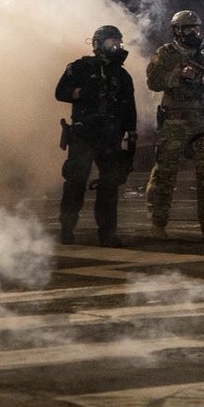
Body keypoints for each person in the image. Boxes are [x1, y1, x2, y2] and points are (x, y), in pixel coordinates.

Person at [144, 9, 204, 243]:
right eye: (188, 28)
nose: (194, 33)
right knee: (165, 173)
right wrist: (178, 74)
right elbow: (153, 82)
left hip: (200, 118)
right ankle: (158, 223)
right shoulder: (165, 54)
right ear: (177, 31)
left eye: (196, 28)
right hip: (174, 119)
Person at [55, 25, 137, 247]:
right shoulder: (81, 67)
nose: (117, 47)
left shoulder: (122, 76)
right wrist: (81, 92)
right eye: (111, 42)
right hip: (84, 134)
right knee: (75, 182)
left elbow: (129, 108)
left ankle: (107, 233)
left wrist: (132, 134)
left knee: (109, 186)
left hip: (110, 137)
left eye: (119, 42)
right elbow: (60, 92)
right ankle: (67, 228)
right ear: (98, 44)